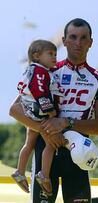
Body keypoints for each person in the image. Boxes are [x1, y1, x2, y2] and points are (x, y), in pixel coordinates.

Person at [9, 18, 98, 202]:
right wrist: (45, 131)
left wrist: (66, 123)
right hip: (46, 150)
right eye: (73, 37)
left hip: (77, 153)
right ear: (64, 41)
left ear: (91, 42)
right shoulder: (46, 71)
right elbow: (15, 109)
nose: (78, 43)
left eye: (83, 38)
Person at [11, 40, 62, 195]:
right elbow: (39, 91)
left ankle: (19, 171)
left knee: (29, 143)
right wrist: (51, 111)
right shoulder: (40, 72)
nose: (54, 57)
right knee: (51, 144)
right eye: (50, 54)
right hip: (40, 113)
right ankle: (44, 174)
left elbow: (22, 88)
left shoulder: (31, 70)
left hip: (29, 111)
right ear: (36, 55)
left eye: (55, 54)